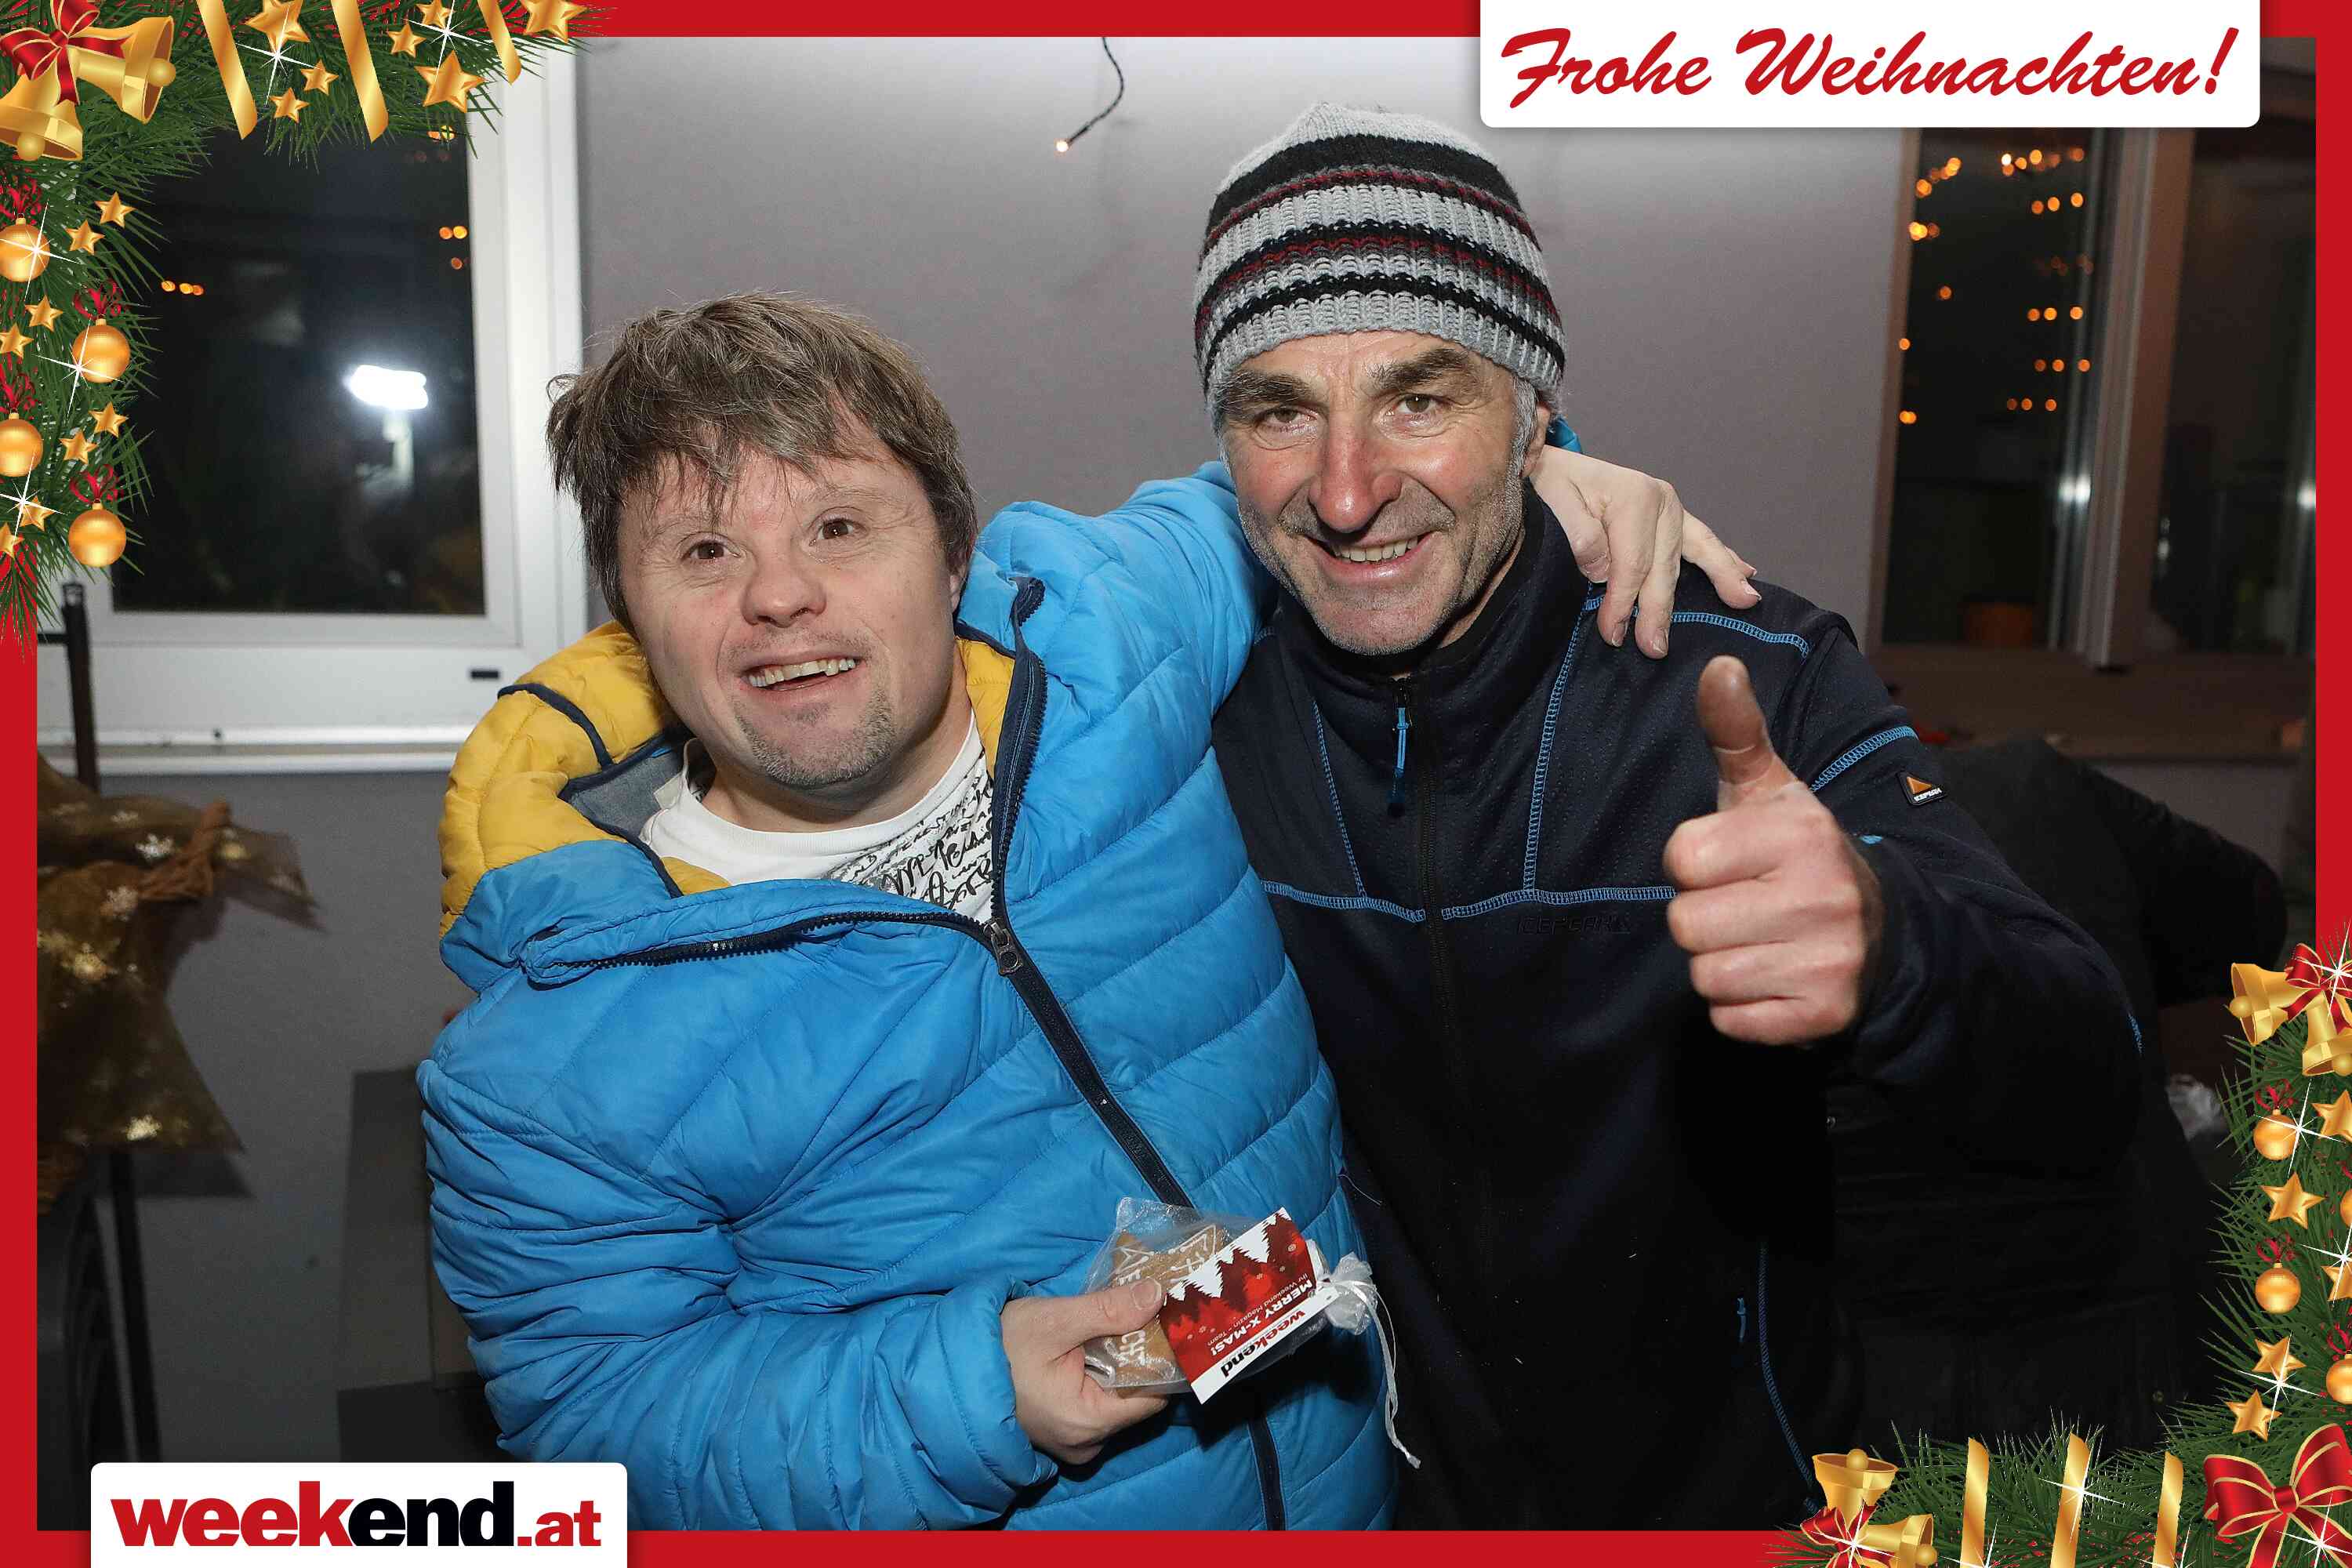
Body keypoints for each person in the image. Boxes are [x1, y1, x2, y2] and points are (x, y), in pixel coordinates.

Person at [419, 292, 1753, 1528]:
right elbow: (596, 1426)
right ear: (629, 614)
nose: (778, 596)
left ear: (953, 553)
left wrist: (1544, 469)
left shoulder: (1107, 633)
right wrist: (973, 1392)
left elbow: (1327, 487)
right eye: (704, 551)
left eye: (839, 527)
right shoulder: (546, 1049)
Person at [1196, 104, 2147, 1526]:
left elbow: (2091, 1073)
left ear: (1534, 416)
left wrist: (1894, 945)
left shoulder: (1749, 670)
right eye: (1280, 411)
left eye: (1420, 398)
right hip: (1390, 1509)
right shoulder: (1206, 721)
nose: (1344, 491)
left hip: (1750, 1504)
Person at [1831, 735, 2285, 1451]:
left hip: (1884, 1385)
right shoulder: (2025, 780)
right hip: (2147, 1336)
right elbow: (2249, 917)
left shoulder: (1700, 847)